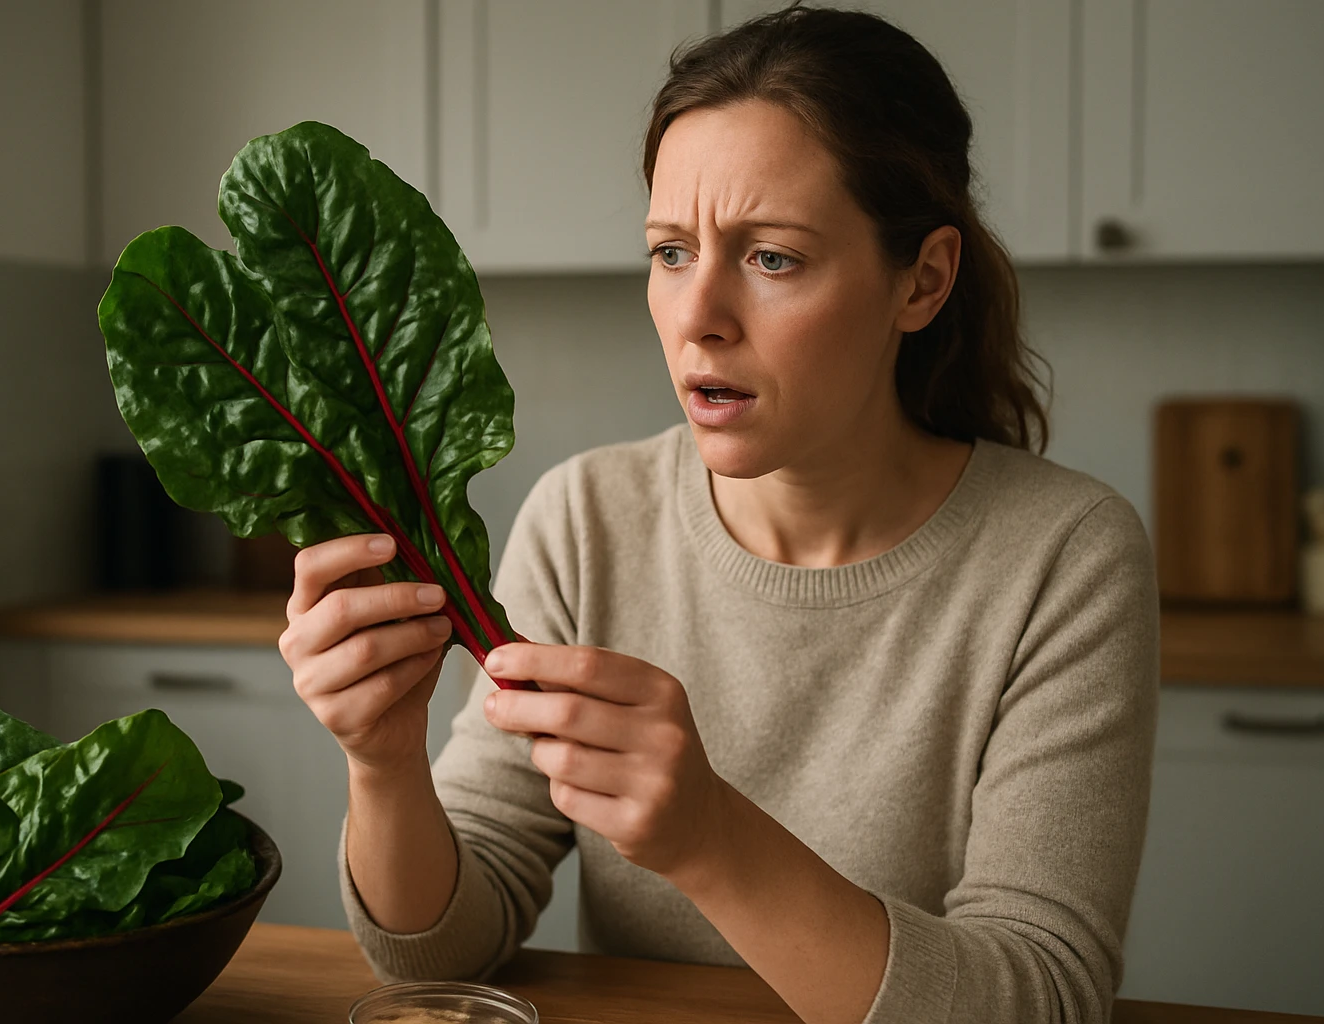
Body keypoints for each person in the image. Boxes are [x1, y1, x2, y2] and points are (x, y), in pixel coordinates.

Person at [277, 5, 1159, 1022]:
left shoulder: (1065, 557)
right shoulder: (586, 519)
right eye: (670, 252)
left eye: (772, 257)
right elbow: (442, 948)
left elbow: (1045, 998)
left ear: (922, 281)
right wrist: (385, 766)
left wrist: (709, 838)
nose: (698, 317)